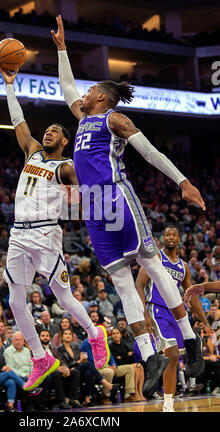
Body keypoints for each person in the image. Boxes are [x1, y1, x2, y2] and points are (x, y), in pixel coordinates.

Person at [52, 14, 205, 397]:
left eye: (89, 92)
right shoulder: (83, 116)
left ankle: (189, 338)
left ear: (102, 97)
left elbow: (150, 153)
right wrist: (62, 49)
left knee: (153, 266)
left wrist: (183, 181)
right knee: (122, 282)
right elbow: (67, 86)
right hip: (92, 205)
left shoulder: (113, 118)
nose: (82, 96)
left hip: (117, 196)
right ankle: (150, 353)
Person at [0, 61, 110, 392]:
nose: (48, 131)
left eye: (56, 130)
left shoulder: (66, 166)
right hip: (18, 234)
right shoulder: (32, 151)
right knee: (16, 300)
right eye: (47, 129)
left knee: (62, 295)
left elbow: (87, 186)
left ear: (64, 141)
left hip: (47, 233)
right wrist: (9, 86)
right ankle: (40, 357)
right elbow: (18, 121)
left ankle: (93, 332)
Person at [135, 225, 209, 411]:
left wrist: (205, 321)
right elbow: (139, 284)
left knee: (175, 359)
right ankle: (167, 404)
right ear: (162, 238)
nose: (170, 237)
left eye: (174, 234)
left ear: (179, 240)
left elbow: (191, 296)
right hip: (157, 309)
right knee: (172, 354)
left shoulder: (184, 267)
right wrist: (144, 313)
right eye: (167, 234)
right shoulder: (155, 258)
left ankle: (169, 402)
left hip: (176, 314)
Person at [0, 334, 42, 411]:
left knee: (11, 382)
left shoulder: (0, 356)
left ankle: (10, 406)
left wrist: (3, 369)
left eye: (1, 342)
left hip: (0, 377)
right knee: (9, 372)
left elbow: (3, 368)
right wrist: (0, 370)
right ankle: (27, 387)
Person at [58, 328, 113, 406]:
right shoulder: (60, 349)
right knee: (87, 364)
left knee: (89, 373)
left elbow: (81, 359)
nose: (68, 336)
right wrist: (79, 362)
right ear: (62, 337)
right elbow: (64, 364)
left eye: (70, 334)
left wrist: (81, 361)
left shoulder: (76, 347)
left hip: (78, 369)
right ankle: (105, 383)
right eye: (65, 334)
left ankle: (87, 399)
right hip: (69, 370)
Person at [39, 329, 79, 409]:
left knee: (75, 372)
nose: (45, 337)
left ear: (50, 337)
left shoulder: (54, 348)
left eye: (47, 336)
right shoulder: (37, 350)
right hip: (47, 372)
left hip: (59, 370)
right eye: (43, 336)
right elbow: (41, 364)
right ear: (39, 338)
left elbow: (62, 360)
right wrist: (56, 368)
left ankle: (72, 399)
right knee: (56, 373)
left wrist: (66, 368)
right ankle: (62, 401)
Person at [109, 327, 145, 402]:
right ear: (111, 336)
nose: (115, 335)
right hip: (119, 367)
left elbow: (130, 357)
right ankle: (135, 392)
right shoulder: (111, 346)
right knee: (135, 366)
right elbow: (118, 361)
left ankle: (140, 392)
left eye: (117, 333)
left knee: (139, 366)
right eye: (113, 334)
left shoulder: (124, 344)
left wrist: (123, 356)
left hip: (127, 365)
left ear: (121, 335)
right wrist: (126, 356)